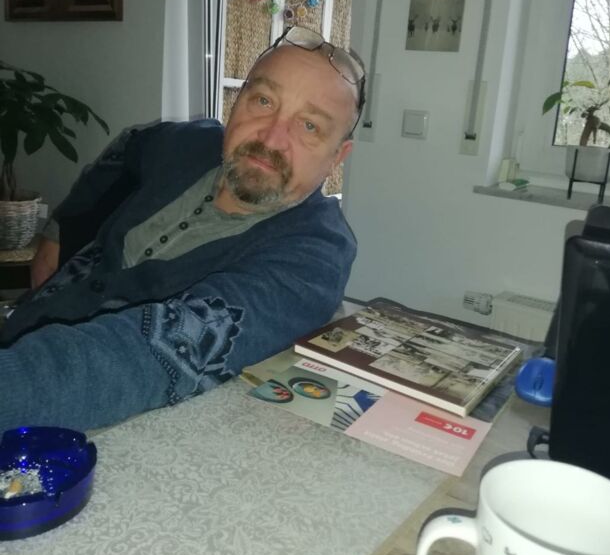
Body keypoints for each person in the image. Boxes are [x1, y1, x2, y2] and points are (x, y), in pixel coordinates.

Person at [0, 27, 365, 432]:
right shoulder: (191, 144)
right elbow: (129, 147)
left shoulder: (315, 256)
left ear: (338, 156)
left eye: (309, 125)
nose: (272, 138)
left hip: (75, 426)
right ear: (238, 101)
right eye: (263, 101)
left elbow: (157, 350)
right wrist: (60, 230)